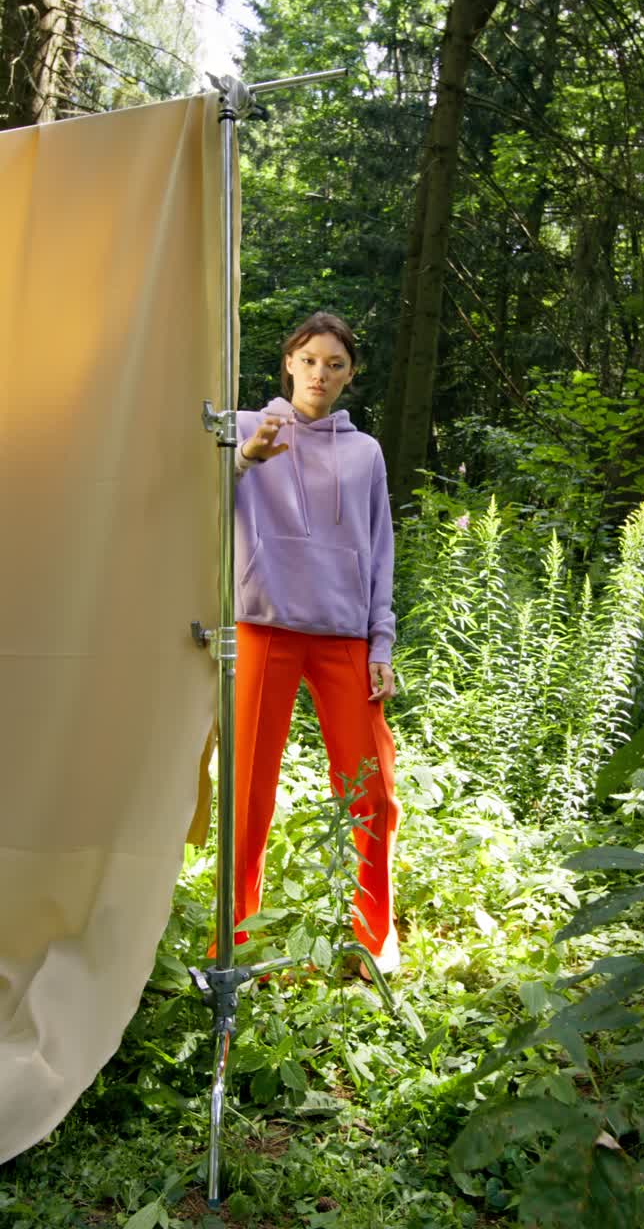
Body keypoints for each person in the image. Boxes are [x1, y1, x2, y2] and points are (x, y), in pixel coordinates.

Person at [213, 311, 401, 975]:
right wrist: (245, 459)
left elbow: (380, 548)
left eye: (335, 364)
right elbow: (198, 495)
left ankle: (371, 939)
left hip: (343, 633)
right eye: (310, 360)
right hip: (264, 623)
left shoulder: (365, 452)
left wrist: (381, 643)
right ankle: (232, 938)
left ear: (350, 375)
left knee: (372, 790)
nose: (320, 373)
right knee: (247, 791)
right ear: (289, 362)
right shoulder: (245, 427)